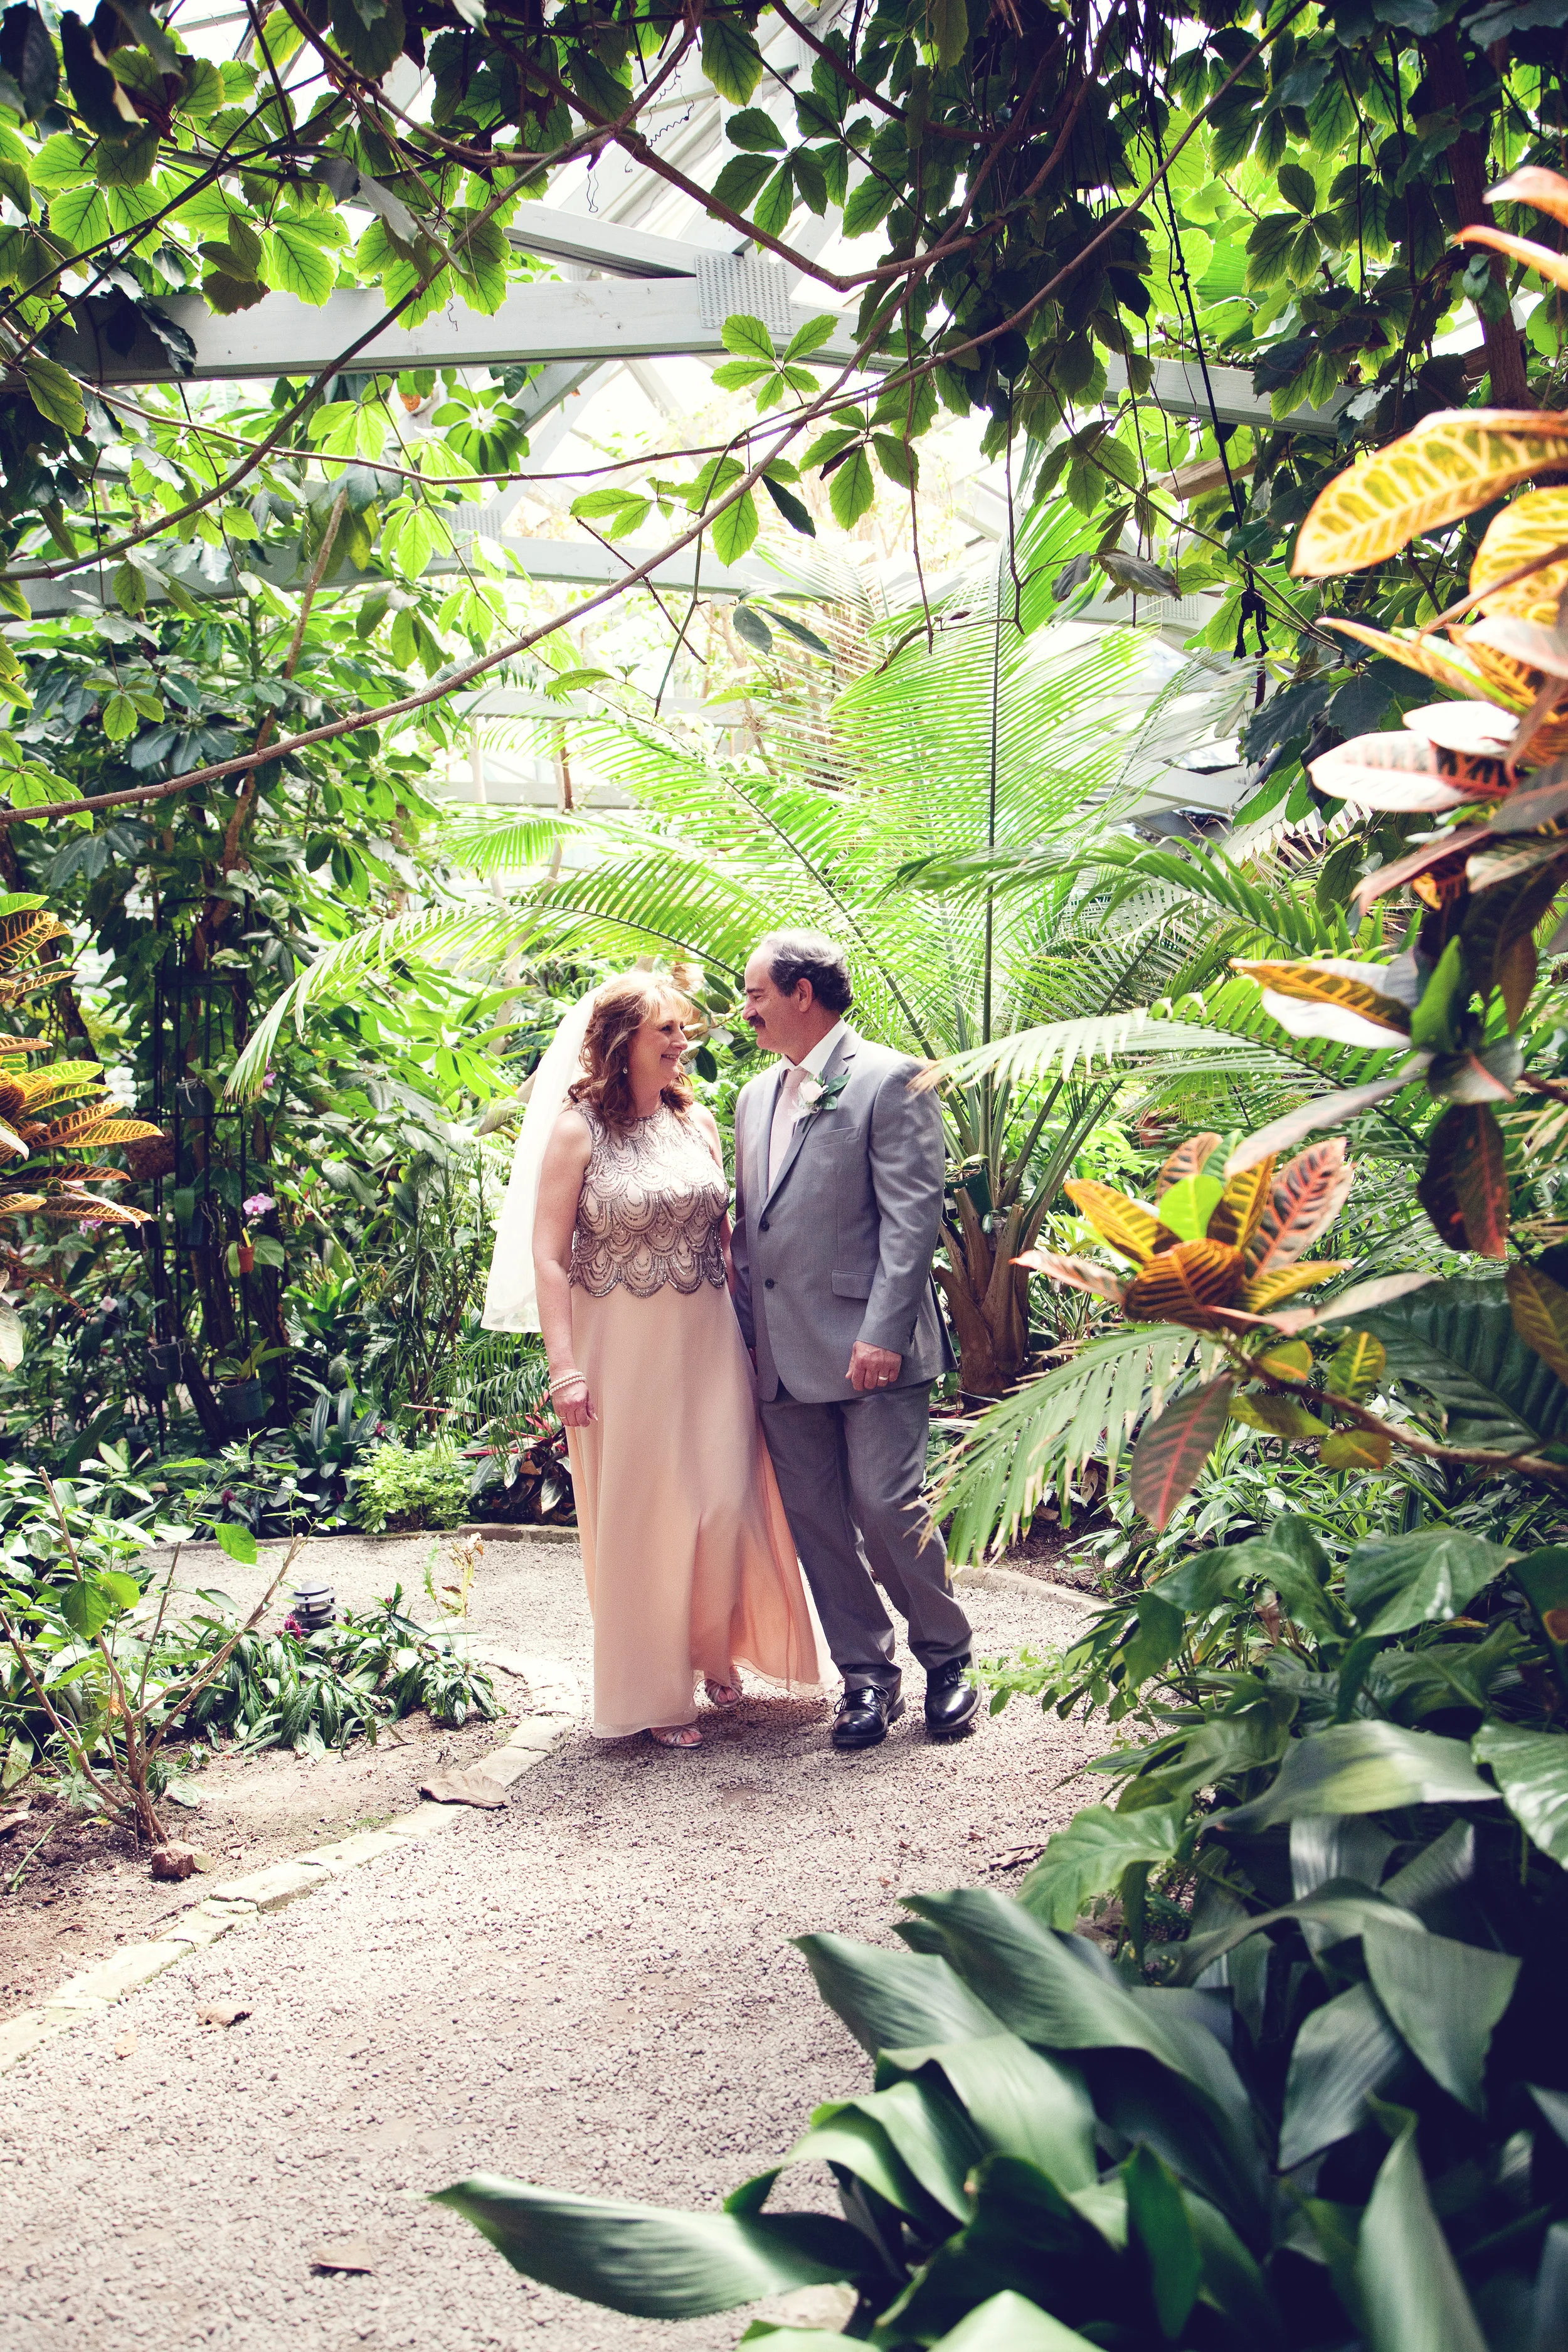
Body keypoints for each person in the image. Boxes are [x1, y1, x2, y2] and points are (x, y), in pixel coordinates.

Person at [494, 970, 828, 1749]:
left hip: (708, 1339)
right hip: (619, 1348)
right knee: (649, 1513)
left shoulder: (698, 1122)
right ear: (623, 1045)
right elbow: (549, 1257)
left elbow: (727, 1242)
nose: (685, 1045)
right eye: (668, 1033)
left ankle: (714, 1647)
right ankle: (656, 1686)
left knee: (721, 1498)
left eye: (684, 1031)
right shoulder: (577, 1132)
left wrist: (758, 1337)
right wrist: (564, 1369)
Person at [730, 930, 979, 1750]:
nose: (748, 1007)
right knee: (818, 1520)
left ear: (803, 993)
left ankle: (947, 1657)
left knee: (887, 1503)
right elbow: (752, 1225)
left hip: (870, 1345)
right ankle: (866, 1679)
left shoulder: (890, 1077)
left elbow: (914, 1217)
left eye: (757, 991)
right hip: (781, 1354)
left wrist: (883, 1332)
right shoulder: (751, 1096)